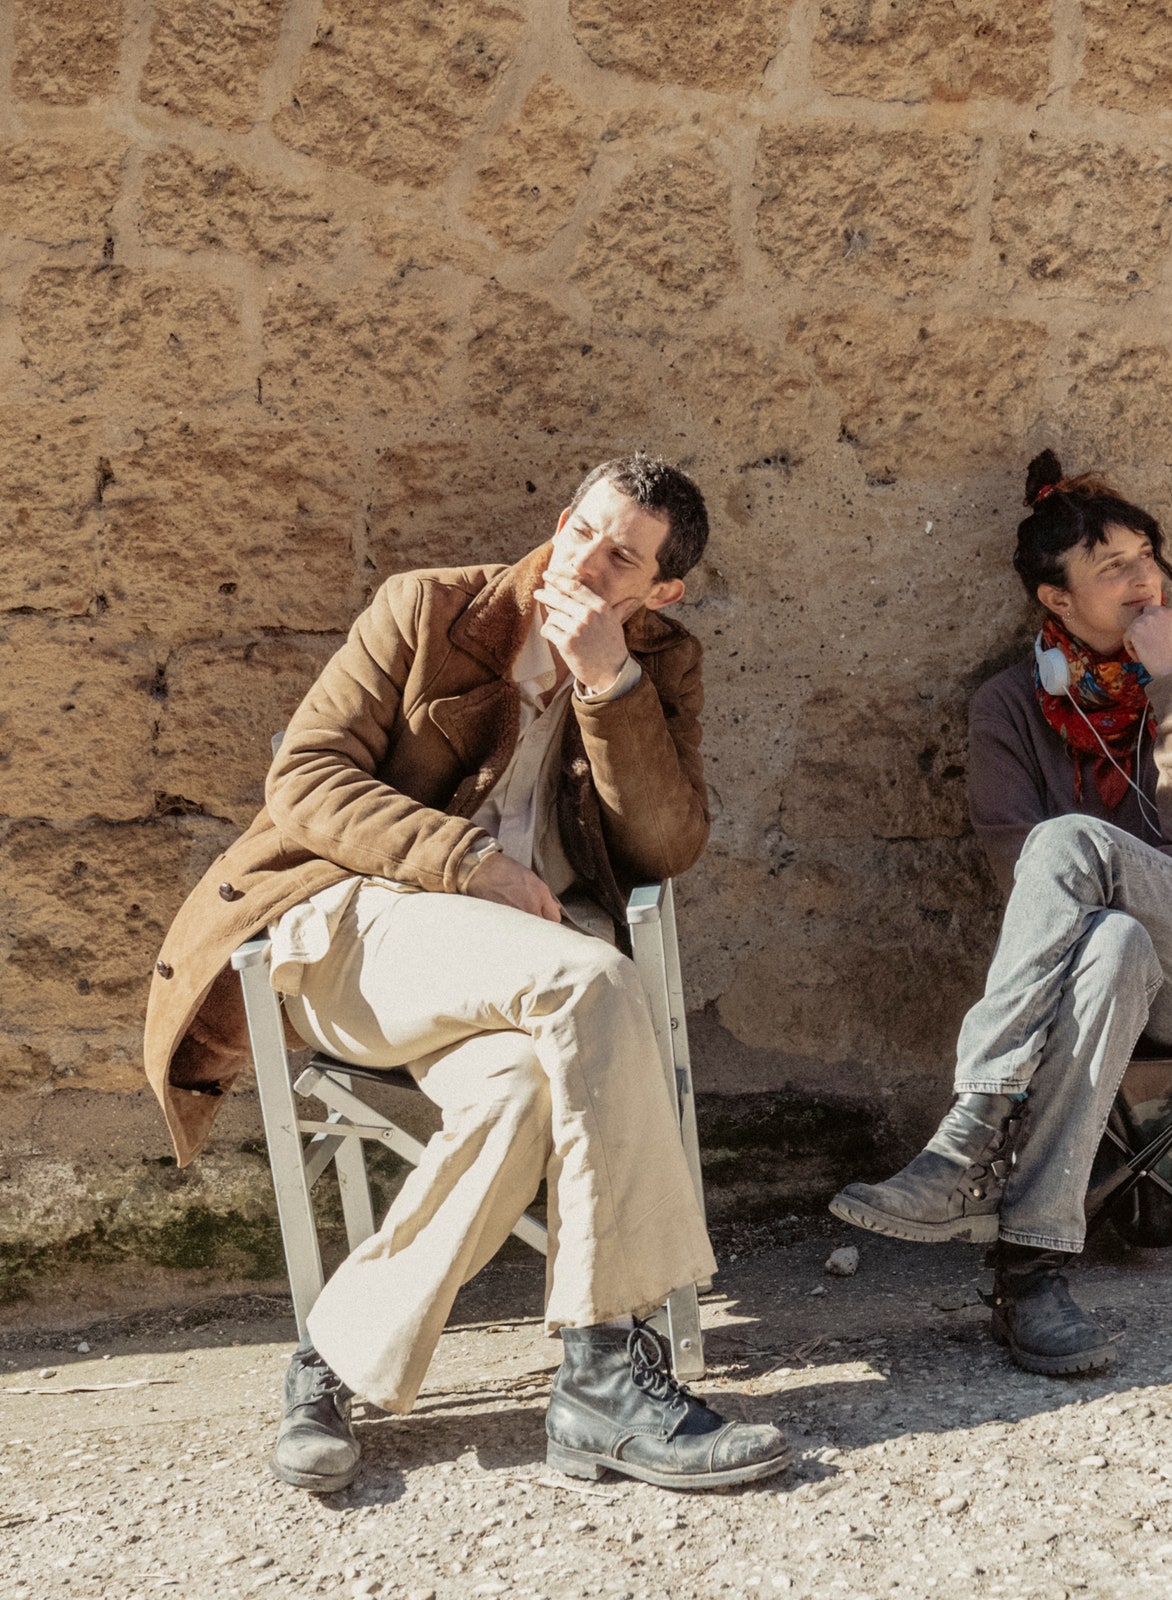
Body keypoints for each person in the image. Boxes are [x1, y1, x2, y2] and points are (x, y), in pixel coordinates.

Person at [144, 453, 791, 1493]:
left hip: (513, 983)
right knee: (595, 982)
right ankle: (603, 1373)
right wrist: (466, 862)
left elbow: (666, 844)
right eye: (582, 527)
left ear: (658, 591)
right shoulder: (427, 609)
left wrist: (607, 683)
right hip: (359, 932)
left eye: (620, 556)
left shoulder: (660, 662)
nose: (582, 558)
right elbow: (304, 777)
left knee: (523, 1087)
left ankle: (333, 1354)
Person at [830, 449, 1172, 1376]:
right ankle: (1031, 1273)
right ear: (1056, 599)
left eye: (1147, 555)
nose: (1142, 576)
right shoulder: (1007, 704)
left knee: (1073, 843)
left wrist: (1170, 686)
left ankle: (969, 1136)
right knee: (1109, 938)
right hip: (1094, 973)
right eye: (1111, 565)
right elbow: (1023, 871)